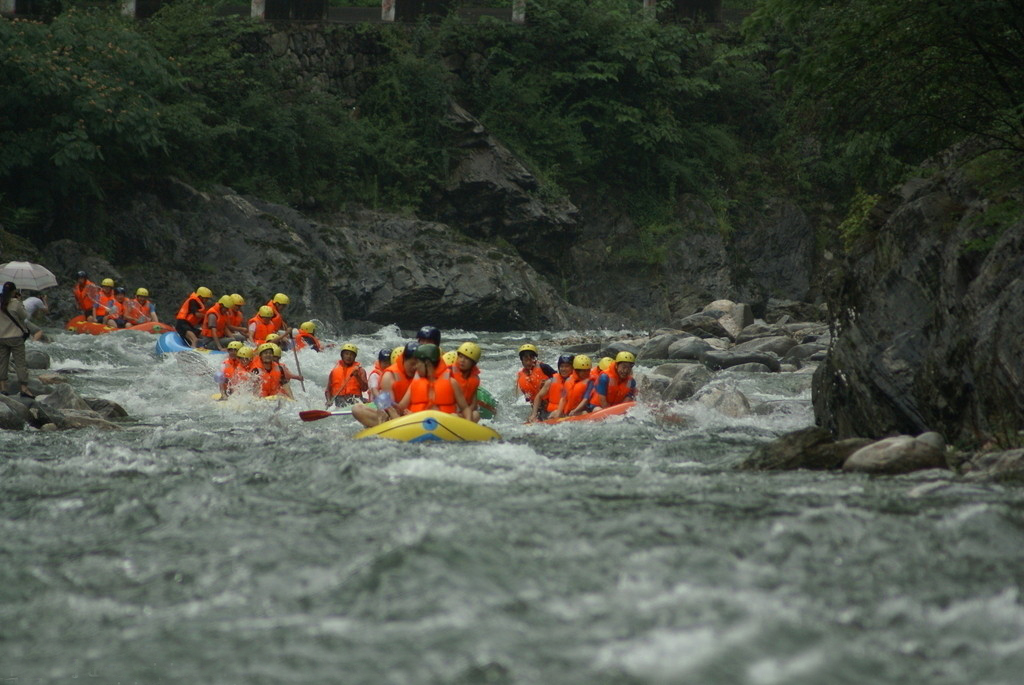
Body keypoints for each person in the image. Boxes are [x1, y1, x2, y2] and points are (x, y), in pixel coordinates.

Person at [352, 341, 419, 428]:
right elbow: (391, 409)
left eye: (418, 364)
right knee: (357, 409)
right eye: (412, 364)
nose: (415, 367)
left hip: (417, 415)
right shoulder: (389, 376)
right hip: (396, 417)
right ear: (404, 360)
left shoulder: (424, 372)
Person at [395, 343, 467, 416]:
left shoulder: (452, 383)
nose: (415, 367)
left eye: (417, 363)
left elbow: (465, 409)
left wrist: (462, 420)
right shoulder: (415, 384)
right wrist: (389, 406)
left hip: (445, 424)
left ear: (427, 363)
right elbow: (401, 407)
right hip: (417, 424)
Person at [0, 282, 33, 398]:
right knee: (20, 363)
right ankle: (24, 388)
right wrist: (20, 302)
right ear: (14, 291)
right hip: (15, 337)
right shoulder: (15, 303)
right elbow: (25, 316)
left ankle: (3, 387)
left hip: (1, 337)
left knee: (2, 362)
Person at [529, 354, 573, 422]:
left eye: (567, 366)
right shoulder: (551, 381)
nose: (564, 369)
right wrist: (534, 414)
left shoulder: (577, 381)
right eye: (561, 366)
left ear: (572, 368)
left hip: (567, 413)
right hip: (550, 414)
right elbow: (539, 396)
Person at [325, 343, 368, 407]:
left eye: (351, 355)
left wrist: (357, 376)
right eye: (346, 354)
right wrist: (328, 401)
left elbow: (365, 388)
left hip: (355, 400)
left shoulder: (360, 370)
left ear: (355, 357)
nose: (349, 356)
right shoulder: (334, 371)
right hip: (338, 401)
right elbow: (328, 390)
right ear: (342, 355)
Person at [449, 342, 482, 422]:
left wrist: (465, 414)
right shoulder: (449, 372)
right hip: (449, 412)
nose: (462, 360)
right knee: (454, 416)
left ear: (473, 363)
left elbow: (473, 404)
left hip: (463, 412)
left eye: (467, 358)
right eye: (460, 357)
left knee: (476, 415)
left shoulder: (475, 379)